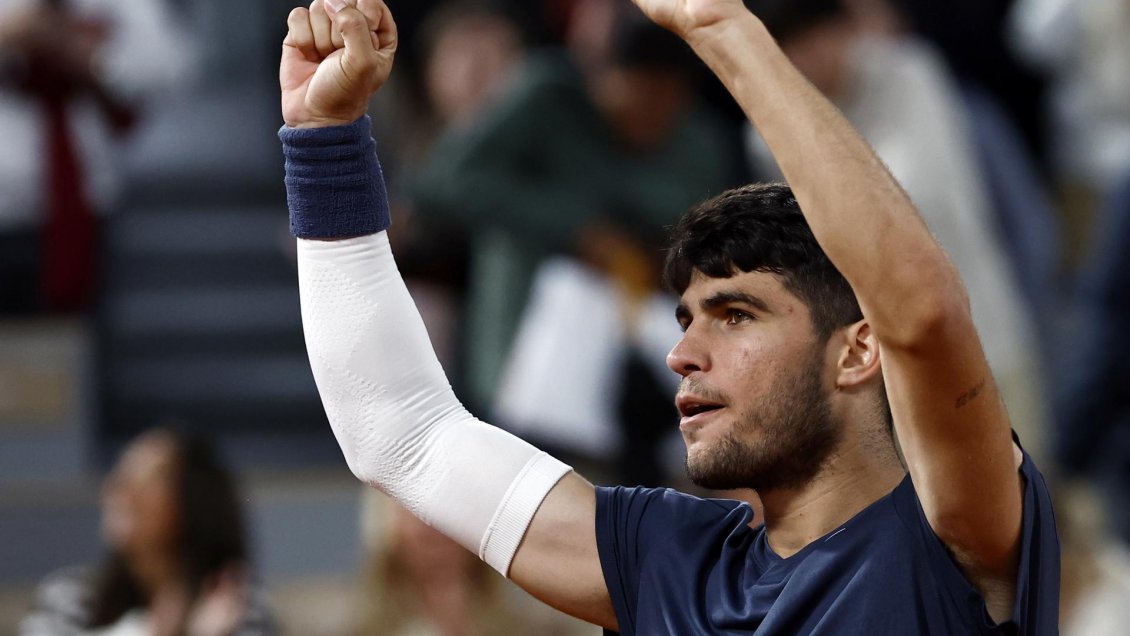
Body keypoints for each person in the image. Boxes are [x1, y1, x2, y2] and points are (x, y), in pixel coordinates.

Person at [279, 0, 1058, 633]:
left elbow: (919, 311)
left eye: (736, 315)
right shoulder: (667, 561)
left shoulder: (948, 530)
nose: (683, 354)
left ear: (857, 351)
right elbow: (401, 435)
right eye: (685, 318)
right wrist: (322, 142)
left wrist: (721, 26)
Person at [20, 429, 275, 635]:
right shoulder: (68, 598)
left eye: (149, 478)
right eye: (121, 475)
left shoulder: (236, 608)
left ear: (192, 503)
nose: (119, 490)